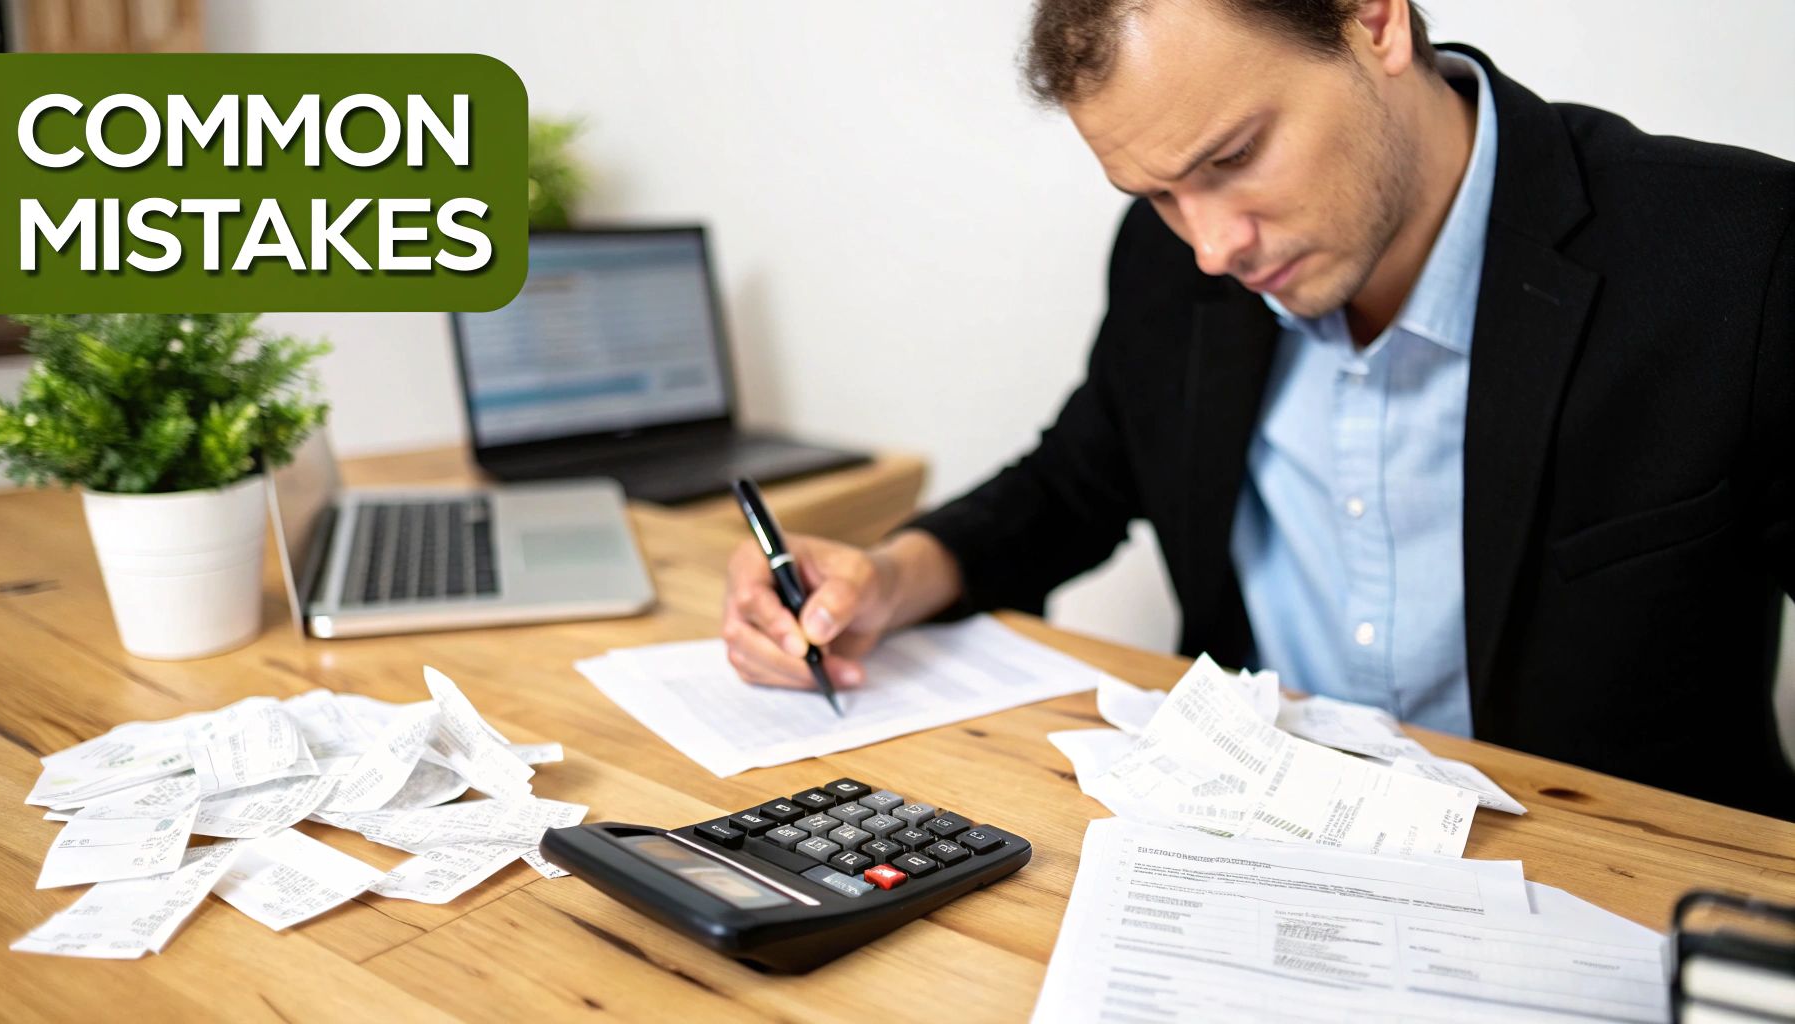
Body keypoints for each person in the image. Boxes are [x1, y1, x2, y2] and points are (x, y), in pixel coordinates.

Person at [722, 0, 1795, 820]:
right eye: (1156, 193)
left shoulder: (1735, 255)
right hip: (1247, 857)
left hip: (1606, 892)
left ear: (1372, 21)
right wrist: (886, 579)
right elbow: (1076, 480)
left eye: (1233, 159)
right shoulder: (1174, 259)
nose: (1210, 247)